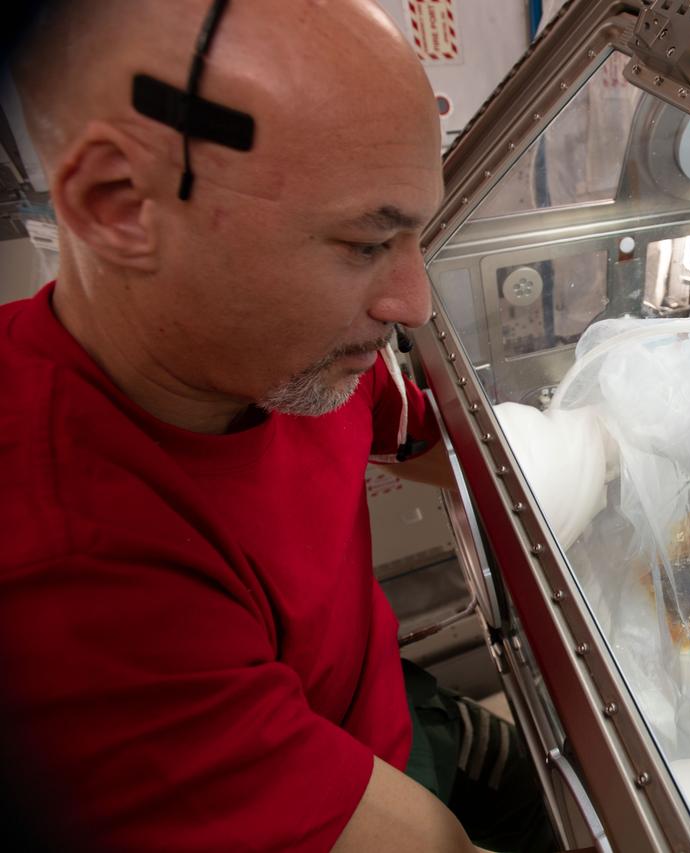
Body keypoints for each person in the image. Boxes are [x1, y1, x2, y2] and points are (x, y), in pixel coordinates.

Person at [0, 1, 553, 850]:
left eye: (415, 235)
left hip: (391, 707)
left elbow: (439, 448)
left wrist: (619, 446)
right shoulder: (69, 586)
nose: (412, 301)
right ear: (119, 206)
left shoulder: (286, 356)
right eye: (366, 244)